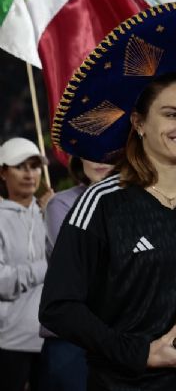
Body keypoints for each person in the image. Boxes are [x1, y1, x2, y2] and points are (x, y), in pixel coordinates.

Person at [40, 2, 176, 390]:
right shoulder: (101, 203)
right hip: (121, 383)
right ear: (140, 122)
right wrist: (140, 352)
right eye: (172, 114)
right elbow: (58, 308)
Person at [38, 156, 114, 391]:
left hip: (119, 337)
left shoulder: (137, 201)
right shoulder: (60, 204)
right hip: (70, 339)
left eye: (108, 153)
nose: (99, 159)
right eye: (89, 151)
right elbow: (83, 266)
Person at [0, 137, 51, 391]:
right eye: (21, 166)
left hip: (53, 340)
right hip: (9, 341)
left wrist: (51, 213)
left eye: (35, 166)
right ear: (3, 172)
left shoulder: (48, 212)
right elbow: (1, 281)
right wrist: (44, 268)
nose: (30, 174)